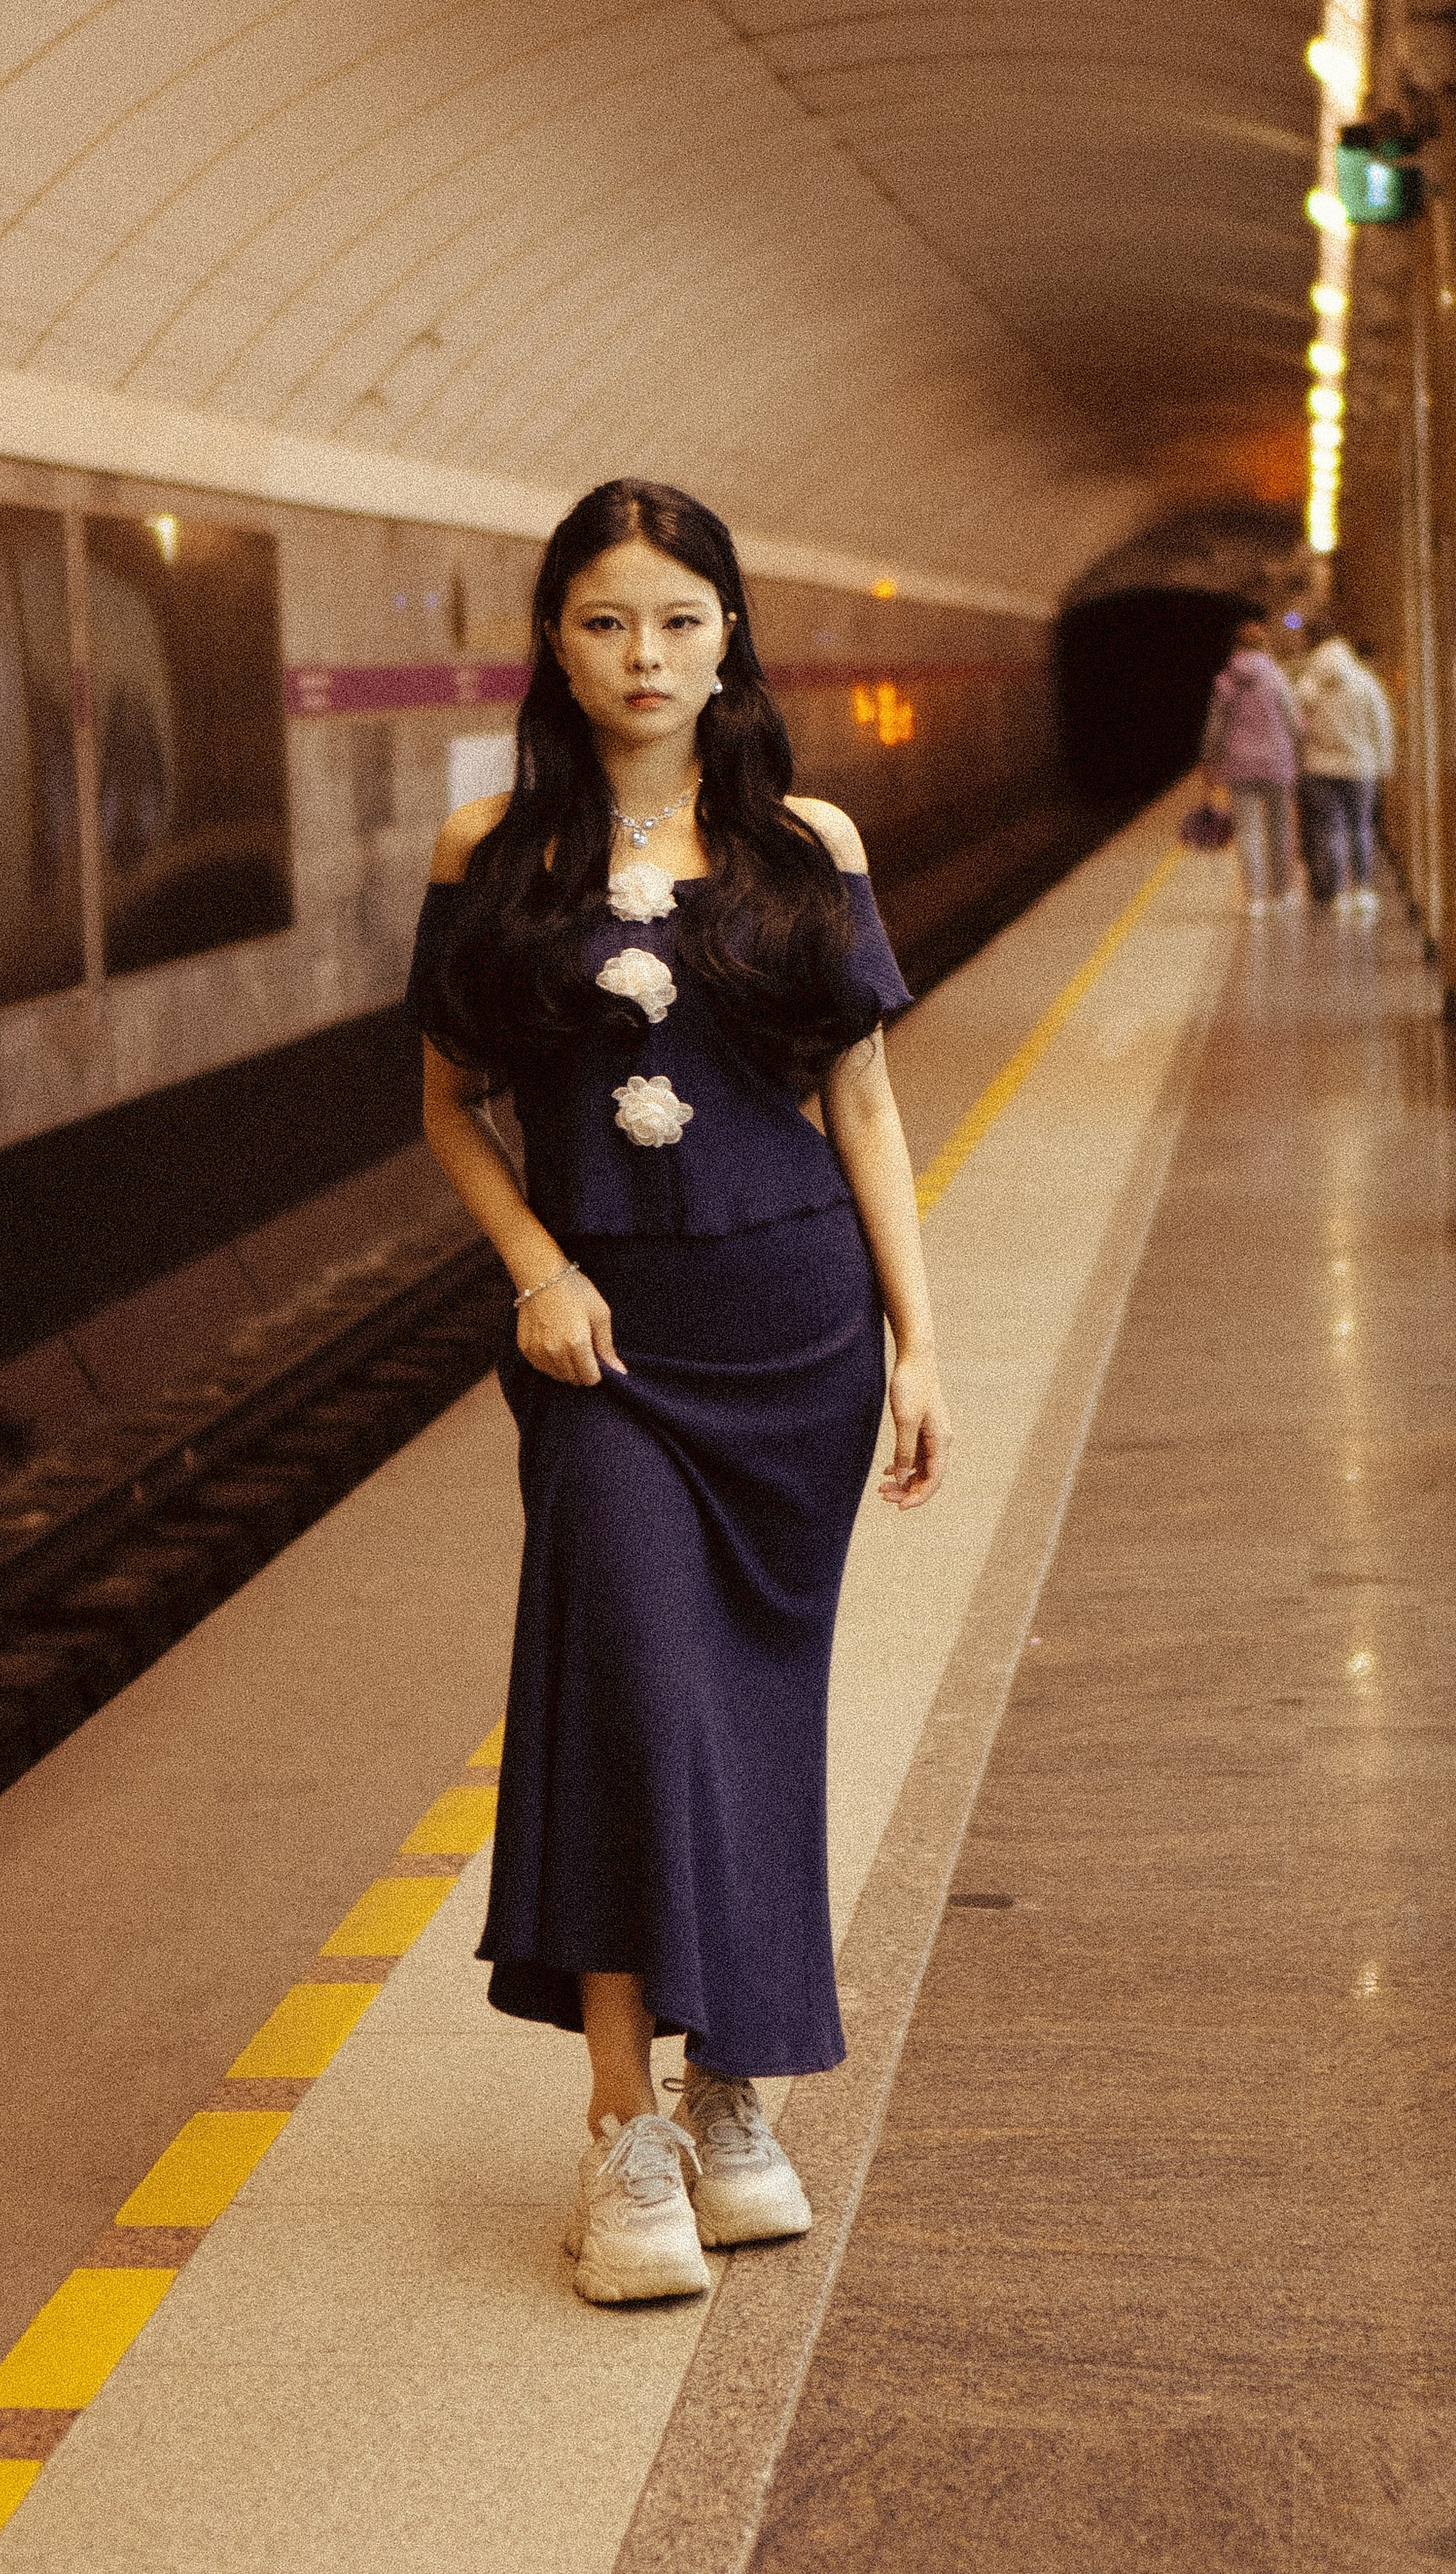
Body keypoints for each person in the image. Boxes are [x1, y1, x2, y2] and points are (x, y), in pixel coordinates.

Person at [410, 479, 951, 2308]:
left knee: (747, 1726)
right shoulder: (491, 850)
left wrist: (918, 1338)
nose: (641, 658)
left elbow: (862, 1107)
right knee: (637, 1701)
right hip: (607, 1352)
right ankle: (622, 2133)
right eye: (602, 623)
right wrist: (537, 1271)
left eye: (676, 621)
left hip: (794, 1329)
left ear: (729, 637)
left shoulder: (808, 840)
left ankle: (738, 2102)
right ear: (553, 645)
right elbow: (448, 1108)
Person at [1199, 610, 1300, 911]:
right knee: (1281, 827)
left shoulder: (1226, 680)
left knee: (1248, 830)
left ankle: (1256, 898)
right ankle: (1282, 894)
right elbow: (1292, 721)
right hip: (1277, 762)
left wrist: (1209, 761)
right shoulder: (1277, 678)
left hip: (1238, 764)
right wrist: (1300, 748)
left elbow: (1215, 726)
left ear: (1236, 648)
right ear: (1264, 645)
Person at [1293, 625, 1394, 911]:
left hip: (1320, 768)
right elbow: (1382, 725)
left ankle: (1336, 891)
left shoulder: (1309, 685)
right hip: (1360, 768)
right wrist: (1384, 763)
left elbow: (1297, 726)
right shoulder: (1366, 683)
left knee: (1329, 830)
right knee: (1361, 826)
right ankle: (1361, 889)